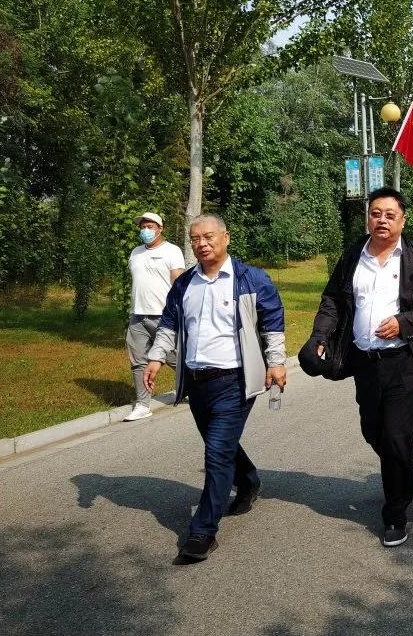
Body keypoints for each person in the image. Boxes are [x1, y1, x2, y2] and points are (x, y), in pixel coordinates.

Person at [143, 214, 286, 564]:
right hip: (197, 381)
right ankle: (249, 481)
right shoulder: (185, 284)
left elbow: (272, 322)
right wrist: (156, 358)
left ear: (226, 237)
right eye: (195, 239)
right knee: (219, 445)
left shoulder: (250, 279)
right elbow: (170, 323)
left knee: (216, 454)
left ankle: (203, 530)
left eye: (208, 237)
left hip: (234, 381)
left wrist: (277, 361)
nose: (201, 244)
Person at [309, 187, 413, 547]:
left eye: (389, 214)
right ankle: (400, 472)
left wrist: (404, 322)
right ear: (368, 217)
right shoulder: (353, 256)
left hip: (403, 362)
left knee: (397, 437)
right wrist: (320, 334)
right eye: (375, 213)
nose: (381, 220)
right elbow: (333, 300)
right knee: (373, 432)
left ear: (402, 219)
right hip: (364, 362)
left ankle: (396, 511)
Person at [125, 212, 184, 421]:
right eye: (143, 227)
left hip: (164, 316)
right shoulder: (135, 252)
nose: (145, 230)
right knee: (138, 361)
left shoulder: (172, 251)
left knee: (173, 358)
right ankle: (142, 404)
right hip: (137, 316)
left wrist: (178, 311)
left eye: (150, 226)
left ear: (160, 228)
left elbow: (178, 283)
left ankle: (192, 387)